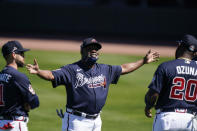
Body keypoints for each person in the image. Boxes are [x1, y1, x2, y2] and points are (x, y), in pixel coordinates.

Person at [26, 37, 159, 131]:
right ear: (82, 51)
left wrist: (143, 61)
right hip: (76, 121)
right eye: (90, 48)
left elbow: (124, 68)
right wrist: (38, 72)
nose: (94, 50)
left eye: (96, 48)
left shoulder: (104, 69)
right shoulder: (71, 70)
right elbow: (51, 75)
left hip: (96, 121)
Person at [144, 34, 197, 131]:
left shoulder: (166, 66)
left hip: (167, 119)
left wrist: (148, 105)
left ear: (180, 46)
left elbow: (153, 94)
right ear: (195, 54)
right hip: (190, 120)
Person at [0, 41, 39, 131]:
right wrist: (26, 104)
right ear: (13, 55)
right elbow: (35, 102)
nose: (24, 56)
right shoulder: (19, 77)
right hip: (14, 125)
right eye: (21, 53)